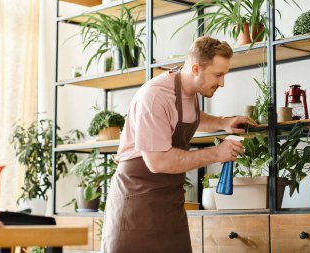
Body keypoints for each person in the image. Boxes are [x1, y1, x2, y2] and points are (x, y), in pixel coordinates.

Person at [102, 36, 257, 253]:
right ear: (196, 68)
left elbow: (187, 116)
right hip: (138, 201)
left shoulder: (188, 90)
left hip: (170, 203)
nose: (222, 83)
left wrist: (223, 122)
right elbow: (158, 161)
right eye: (218, 75)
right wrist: (216, 154)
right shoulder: (155, 96)